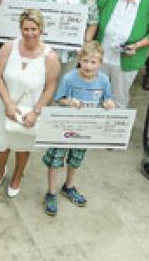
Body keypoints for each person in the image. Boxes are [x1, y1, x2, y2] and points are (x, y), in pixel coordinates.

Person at [0, 9, 60, 197]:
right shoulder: (9, 47)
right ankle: (0, 171)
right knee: (2, 142)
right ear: (20, 28)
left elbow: (50, 88)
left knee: (23, 144)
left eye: (34, 28)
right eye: (26, 28)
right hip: (4, 102)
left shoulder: (50, 57)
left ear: (41, 29)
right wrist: (8, 104)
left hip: (30, 107)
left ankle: (18, 175)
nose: (29, 33)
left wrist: (35, 112)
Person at [42, 42, 114, 216]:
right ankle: (51, 192)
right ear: (79, 60)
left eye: (93, 62)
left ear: (100, 63)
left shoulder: (104, 81)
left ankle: (69, 186)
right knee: (56, 159)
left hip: (85, 129)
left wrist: (108, 104)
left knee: (76, 159)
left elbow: (107, 100)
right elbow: (59, 98)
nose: (88, 65)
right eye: (86, 61)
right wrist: (69, 102)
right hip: (64, 126)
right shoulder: (69, 78)